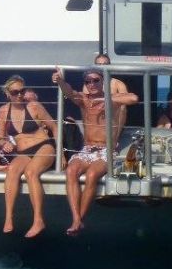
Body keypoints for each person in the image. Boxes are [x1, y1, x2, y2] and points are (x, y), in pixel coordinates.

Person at [53, 68, 139, 236]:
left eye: (95, 80)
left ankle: (79, 219)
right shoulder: (84, 100)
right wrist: (60, 81)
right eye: (88, 81)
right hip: (87, 149)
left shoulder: (112, 100)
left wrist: (105, 98)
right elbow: (69, 92)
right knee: (71, 171)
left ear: (103, 82)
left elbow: (133, 98)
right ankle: (76, 218)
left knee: (92, 175)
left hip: (106, 150)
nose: (91, 84)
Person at [0, 75, 58, 238]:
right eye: (15, 92)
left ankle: (38, 220)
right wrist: (4, 143)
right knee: (12, 170)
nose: (19, 95)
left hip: (44, 146)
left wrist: (61, 154)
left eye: (22, 91)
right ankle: (9, 217)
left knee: (31, 172)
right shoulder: (3, 111)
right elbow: (0, 138)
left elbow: (54, 127)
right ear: (7, 93)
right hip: (23, 152)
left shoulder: (34, 106)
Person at [91, 53, 130, 148]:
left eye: (105, 64)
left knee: (121, 107)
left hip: (113, 126)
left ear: (110, 66)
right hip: (95, 127)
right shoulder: (89, 85)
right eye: (99, 65)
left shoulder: (118, 84)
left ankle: (114, 140)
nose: (102, 67)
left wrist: (115, 137)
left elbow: (123, 107)